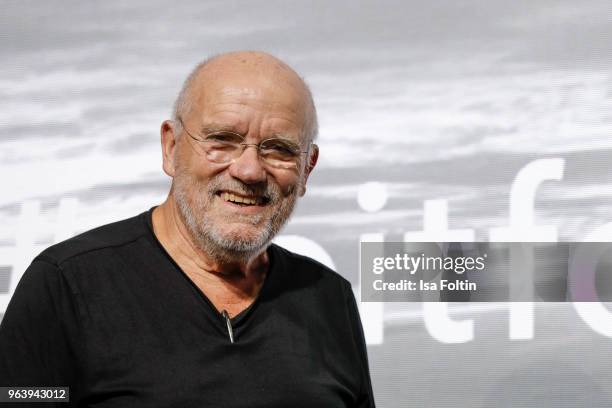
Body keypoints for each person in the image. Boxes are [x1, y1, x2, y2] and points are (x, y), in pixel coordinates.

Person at [0, 51, 375, 407]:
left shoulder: (329, 298)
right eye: (222, 141)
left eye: (278, 149)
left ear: (307, 168)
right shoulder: (67, 285)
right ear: (171, 147)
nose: (249, 170)